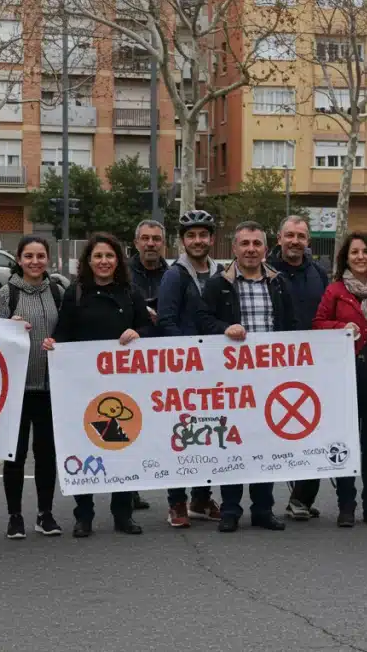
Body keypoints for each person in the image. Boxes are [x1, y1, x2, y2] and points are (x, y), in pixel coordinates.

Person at [45, 232, 150, 538]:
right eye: (98, 257)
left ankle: (122, 514)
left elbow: (147, 326)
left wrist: (138, 332)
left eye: (109, 256)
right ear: (88, 262)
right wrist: (54, 343)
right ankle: (84, 515)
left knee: (123, 446)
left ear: (118, 260)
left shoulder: (131, 293)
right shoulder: (75, 293)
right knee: (85, 445)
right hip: (84, 386)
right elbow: (63, 333)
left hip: (125, 385)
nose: (104, 262)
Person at [197, 221, 299, 533]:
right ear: (234, 249)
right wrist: (223, 329)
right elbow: (201, 320)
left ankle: (263, 510)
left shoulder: (280, 283)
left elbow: (291, 325)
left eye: (257, 244)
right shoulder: (218, 285)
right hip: (231, 381)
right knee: (232, 443)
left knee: (265, 444)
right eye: (245, 244)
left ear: (266, 249)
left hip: (270, 380)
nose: (251, 249)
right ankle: (230, 510)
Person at [310, 232, 367, 527]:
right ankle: (346, 504)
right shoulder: (335, 291)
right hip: (345, 374)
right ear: (345, 258)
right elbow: (318, 324)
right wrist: (340, 326)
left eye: (365, 252)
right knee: (346, 440)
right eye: (354, 252)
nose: (360, 257)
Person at [0, 235, 63, 540]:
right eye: (29, 256)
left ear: (48, 259)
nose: (35, 262)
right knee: (15, 454)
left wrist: (59, 344)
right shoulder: (6, 294)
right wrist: (10, 327)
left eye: (41, 256)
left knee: (46, 454)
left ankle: (45, 514)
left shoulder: (59, 292)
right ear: (19, 260)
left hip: (50, 388)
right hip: (17, 389)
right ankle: (15, 515)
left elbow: (68, 331)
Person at [157, 210, 223, 527]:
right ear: (182, 241)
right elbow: (166, 320)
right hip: (183, 367)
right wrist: (192, 350)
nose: (198, 241)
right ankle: (177, 501)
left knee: (210, 432)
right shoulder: (174, 276)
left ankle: (201, 496)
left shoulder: (222, 274)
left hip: (217, 369)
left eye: (203, 235)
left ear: (211, 239)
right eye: (191, 235)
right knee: (182, 433)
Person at [271, 215, 333, 521]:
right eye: (290, 235)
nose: (295, 241)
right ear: (279, 237)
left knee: (313, 431)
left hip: (313, 364)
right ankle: (262, 503)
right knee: (273, 433)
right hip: (271, 365)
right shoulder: (263, 272)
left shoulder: (319, 274)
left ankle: (301, 498)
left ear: (308, 241)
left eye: (301, 236)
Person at [125, 219, 169, 510]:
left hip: (164, 359)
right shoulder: (124, 273)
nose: (151, 243)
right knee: (131, 422)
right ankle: (129, 488)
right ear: (137, 241)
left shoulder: (173, 274)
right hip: (130, 358)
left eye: (156, 239)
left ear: (163, 243)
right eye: (146, 238)